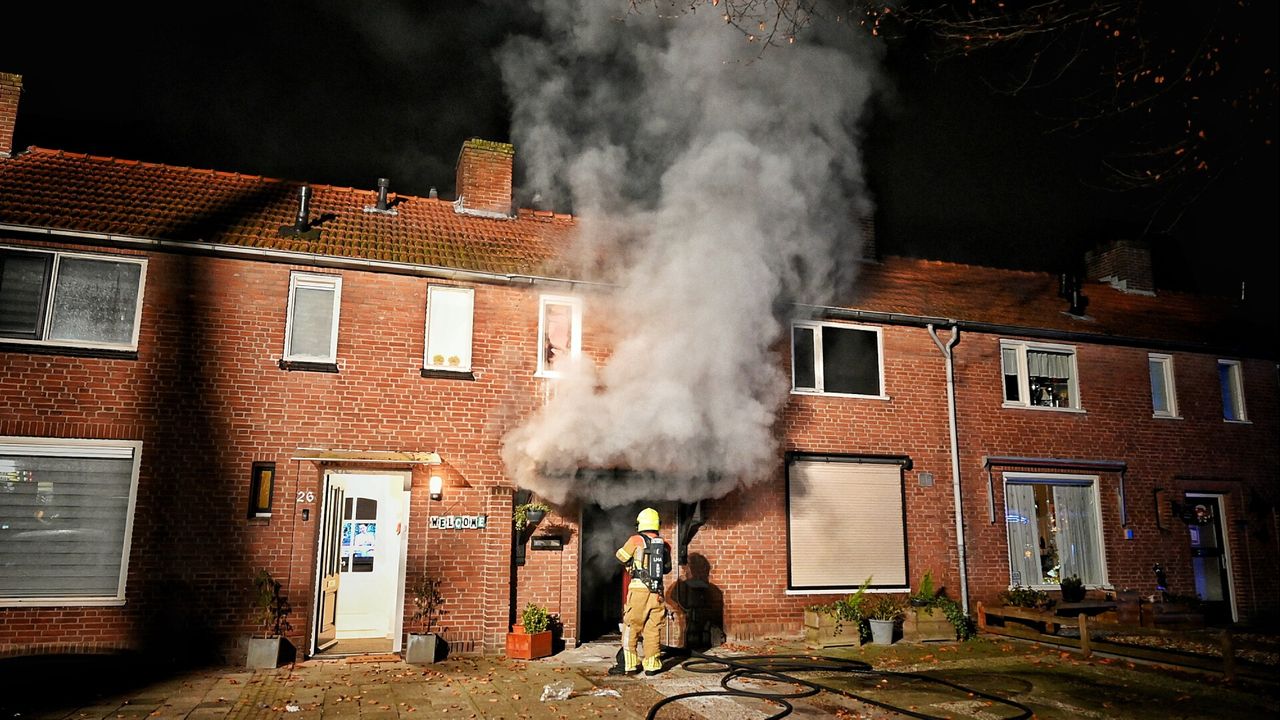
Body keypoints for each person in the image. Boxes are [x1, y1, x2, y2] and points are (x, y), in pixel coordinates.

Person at [610, 507, 672, 676]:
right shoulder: (664, 544)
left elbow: (620, 556)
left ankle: (629, 665)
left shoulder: (635, 540)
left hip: (638, 591)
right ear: (657, 524)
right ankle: (652, 665)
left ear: (640, 524)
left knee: (632, 626)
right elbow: (666, 569)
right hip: (657, 593)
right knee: (652, 629)